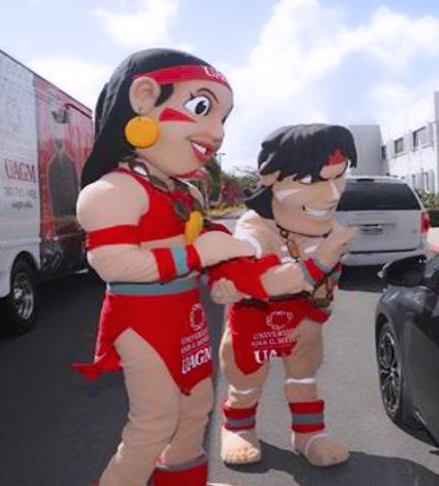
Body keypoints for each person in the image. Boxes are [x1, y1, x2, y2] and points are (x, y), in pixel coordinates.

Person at [73, 49, 252, 486]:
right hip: (142, 319)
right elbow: (110, 262)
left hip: (187, 314)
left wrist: (226, 272)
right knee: (154, 422)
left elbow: (208, 240)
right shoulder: (111, 190)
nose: (215, 133)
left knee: (195, 410)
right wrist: (197, 256)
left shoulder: (186, 191)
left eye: (223, 119)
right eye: (202, 108)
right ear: (144, 97)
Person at [206, 124, 357, 468]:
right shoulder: (256, 226)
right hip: (253, 316)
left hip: (303, 316)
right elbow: (253, 270)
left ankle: (309, 433)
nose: (332, 194)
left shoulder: (330, 229)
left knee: (303, 378)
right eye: (311, 182)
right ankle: (238, 428)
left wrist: (316, 315)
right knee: (246, 379)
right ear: (272, 177)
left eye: (339, 177)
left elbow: (331, 280)